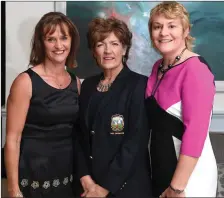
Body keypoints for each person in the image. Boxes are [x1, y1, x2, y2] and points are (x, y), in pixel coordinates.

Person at [74, 17, 152, 198]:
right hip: (88, 186)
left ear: (124, 49)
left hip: (126, 188)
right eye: (101, 44)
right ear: (94, 51)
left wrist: (104, 188)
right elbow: (79, 135)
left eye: (114, 43)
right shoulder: (87, 85)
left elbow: (135, 143)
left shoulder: (139, 85)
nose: (108, 50)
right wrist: (85, 178)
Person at [145, 1, 218, 197]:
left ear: (185, 31)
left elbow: (195, 133)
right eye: (157, 26)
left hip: (188, 181)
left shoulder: (195, 69)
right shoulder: (157, 67)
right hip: (160, 171)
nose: (163, 32)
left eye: (172, 26)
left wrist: (177, 188)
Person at [4, 12, 81, 198]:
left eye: (64, 38)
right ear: (41, 43)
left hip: (67, 174)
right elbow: (12, 140)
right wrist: (13, 190)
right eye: (51, 39)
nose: (59, 45)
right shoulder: (25, 82)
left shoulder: (76, 82)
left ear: (72, 42)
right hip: (33, 174)